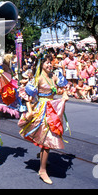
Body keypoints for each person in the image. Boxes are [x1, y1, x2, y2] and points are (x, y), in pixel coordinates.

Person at [18, 54, 69, 184]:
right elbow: (26, 96)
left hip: (52, 110)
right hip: (42, 111)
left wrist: (64, 94)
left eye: (50, 62)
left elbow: (62, 89)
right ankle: (42, 170)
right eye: (46, 62)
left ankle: (43, 160)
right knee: (47, 141)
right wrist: (29, 111)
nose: (49, 64)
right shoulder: (38, 78)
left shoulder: (54, 76)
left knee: (48, 139)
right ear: (41, 64)